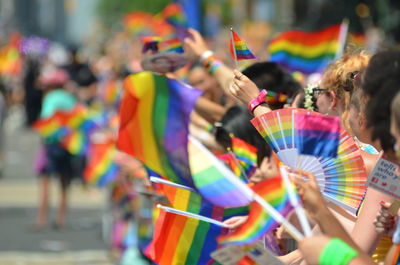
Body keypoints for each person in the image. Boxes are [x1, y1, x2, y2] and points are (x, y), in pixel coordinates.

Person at [35, 67, 77, 229]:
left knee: (45, 180)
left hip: (52, 145)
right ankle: (61, 218)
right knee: (64, 182)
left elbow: (46, 121)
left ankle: (42, 218)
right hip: (68, 144)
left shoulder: (50, 98)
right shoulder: (69, 98)